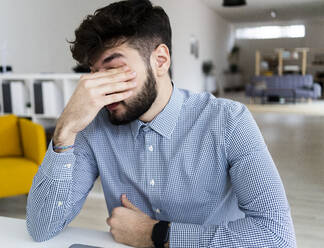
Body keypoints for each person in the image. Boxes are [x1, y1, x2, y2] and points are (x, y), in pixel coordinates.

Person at [26, 0, 296, 247]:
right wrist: (65, 130)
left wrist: (156, 234)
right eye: (94, 74)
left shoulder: (228, 121)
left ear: (160, 60)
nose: (100, 88)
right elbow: (41, 228)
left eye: (113, 70)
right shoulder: (94, 126)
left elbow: (276, 236)